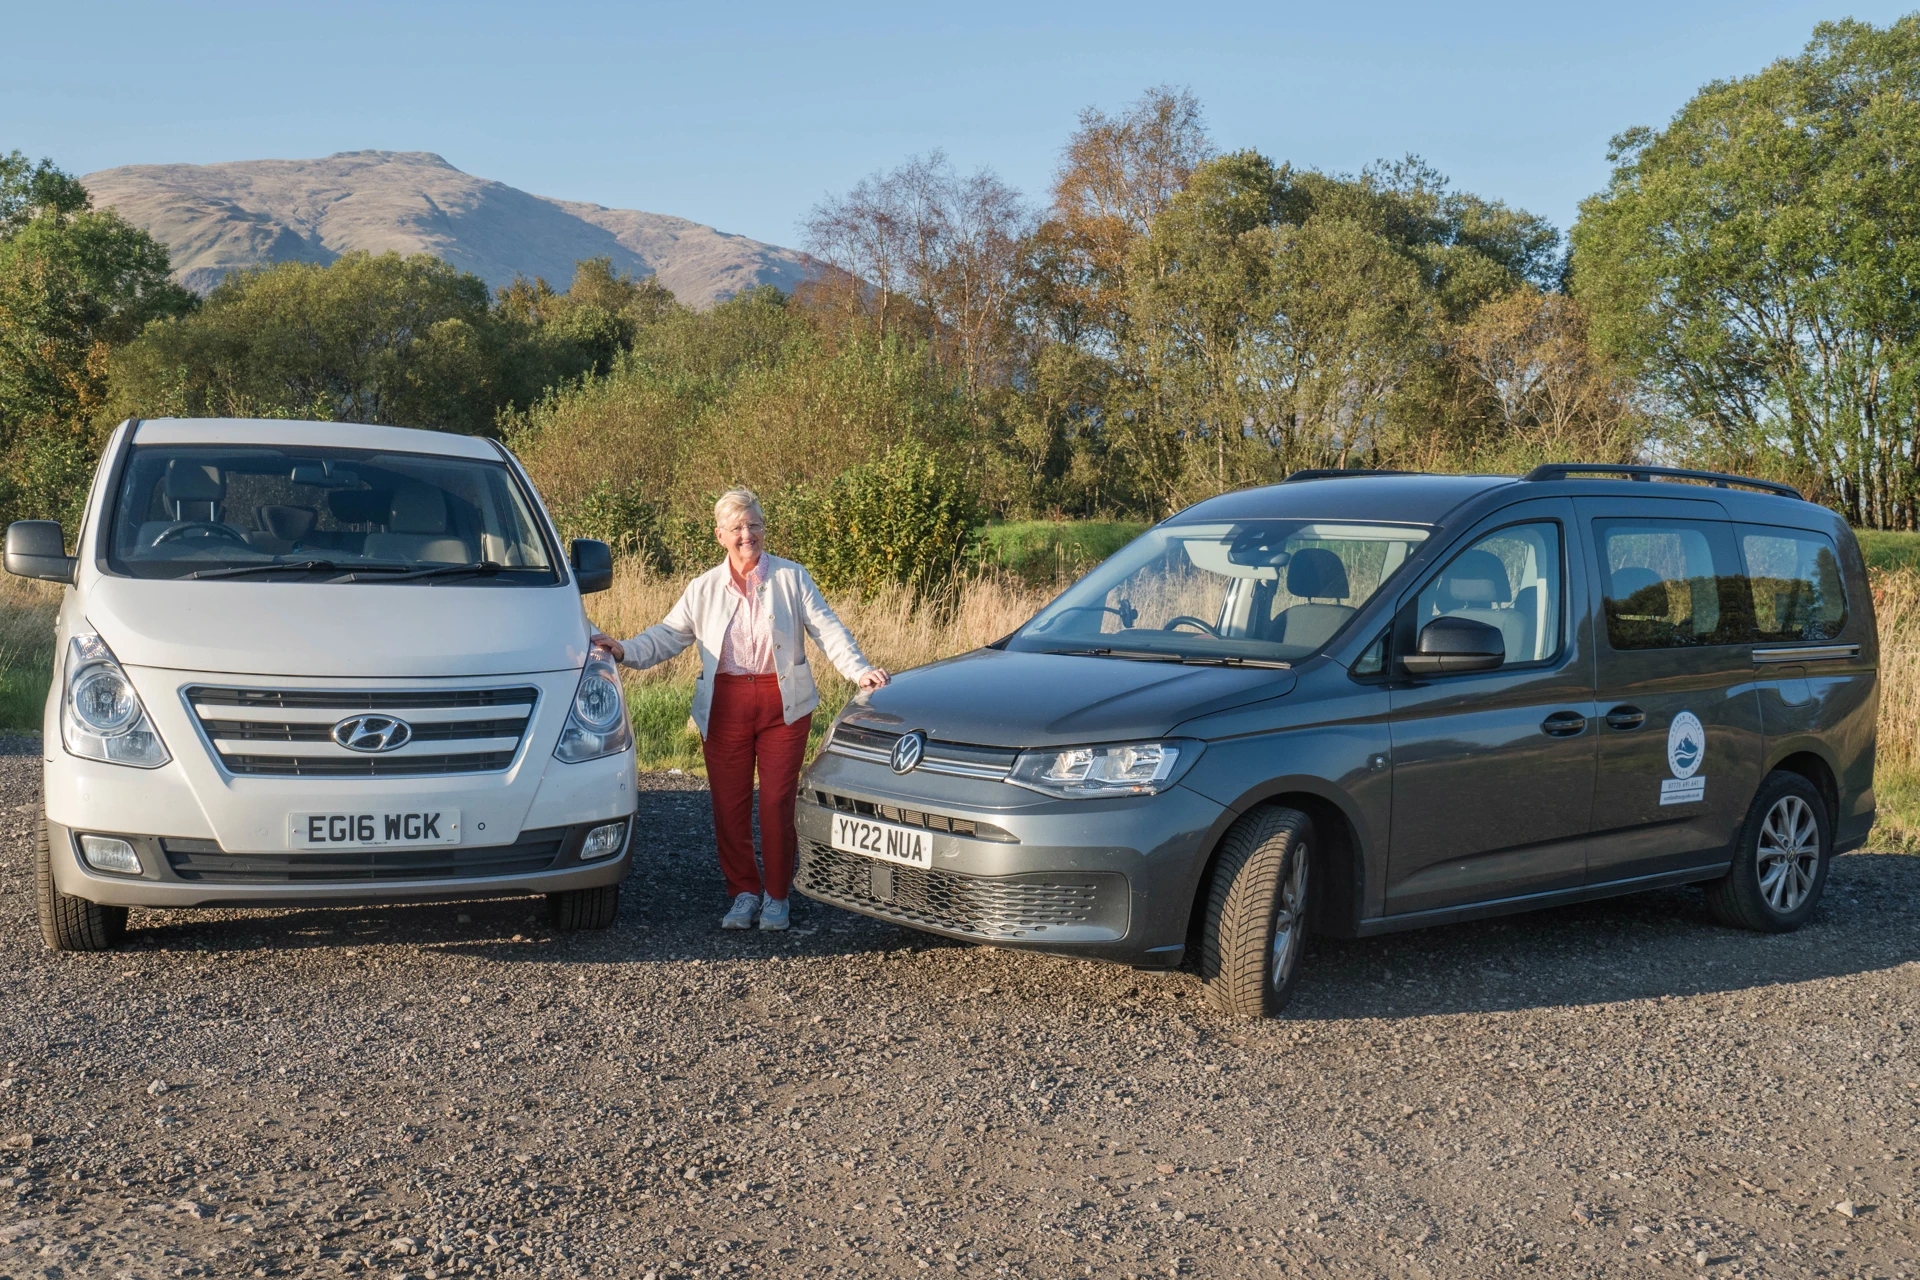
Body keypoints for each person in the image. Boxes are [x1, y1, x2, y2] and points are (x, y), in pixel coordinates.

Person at [590, 489, 888, 931]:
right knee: (728, 806)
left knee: (776, 802)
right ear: (720, 536)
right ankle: (744, 893)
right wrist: (624, 650)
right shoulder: (704, 588)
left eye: (754, 525)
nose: (748, 535)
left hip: (783, 706)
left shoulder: (791, 577)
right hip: (724, 706)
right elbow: (668, 636)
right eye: (737, 528)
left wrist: (858, 669)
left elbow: (828, 628)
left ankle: (778, 896)